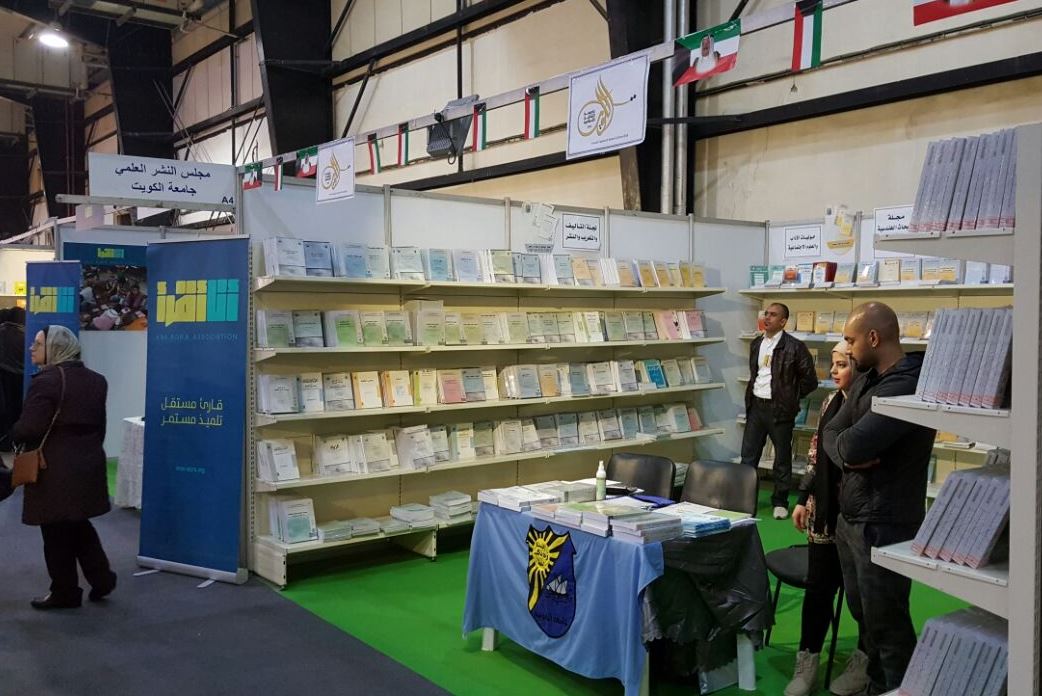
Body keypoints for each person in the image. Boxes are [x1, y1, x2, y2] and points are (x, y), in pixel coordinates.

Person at [822, 302, 935, 694]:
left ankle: (900, 687)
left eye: (851, 340)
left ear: (873, 337)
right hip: (852, 517)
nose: (848, 350)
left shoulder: (907, 384)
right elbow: (832, 431)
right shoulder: (867, 378)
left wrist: (846, 449)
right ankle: (875, 685)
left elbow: (852, 444)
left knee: (888, 625)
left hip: (885, 522)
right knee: (865, 618)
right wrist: (846, 453)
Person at [10, 325, 116, 609]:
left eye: (38, 344)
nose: (31, 348)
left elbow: (29, 428)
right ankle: (102, 578)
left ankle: (65, 591)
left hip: (53, 469)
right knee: (78, 523)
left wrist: (14, 432)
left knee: (55, 532)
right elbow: (100, 426)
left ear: (55, 348)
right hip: (88, 463)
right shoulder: (97, 380)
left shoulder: (46, 381)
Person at [784, 342, 868, 696]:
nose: (833, 371)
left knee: (862, 594)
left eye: (842, 364)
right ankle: (808, 661)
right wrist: (804, 497)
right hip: (824, 513)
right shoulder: (829, 402)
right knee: (818, 589)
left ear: (860, 367)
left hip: (859, 514)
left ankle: (864, 662)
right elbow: (816, 455)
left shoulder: (870, 407)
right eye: (833, 364)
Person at [742, 302, 818, 519]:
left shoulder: (795, 347)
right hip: (756, 406)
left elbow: (810, 381)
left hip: (780, 410)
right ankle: (744, 499)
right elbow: (756, 373)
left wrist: (789, 397)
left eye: (773, 315)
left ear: (783, 321)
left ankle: (780, 501)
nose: (767, 317)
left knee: (782, 458)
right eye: (766, 313)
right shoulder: (757, 343)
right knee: (748, 456)